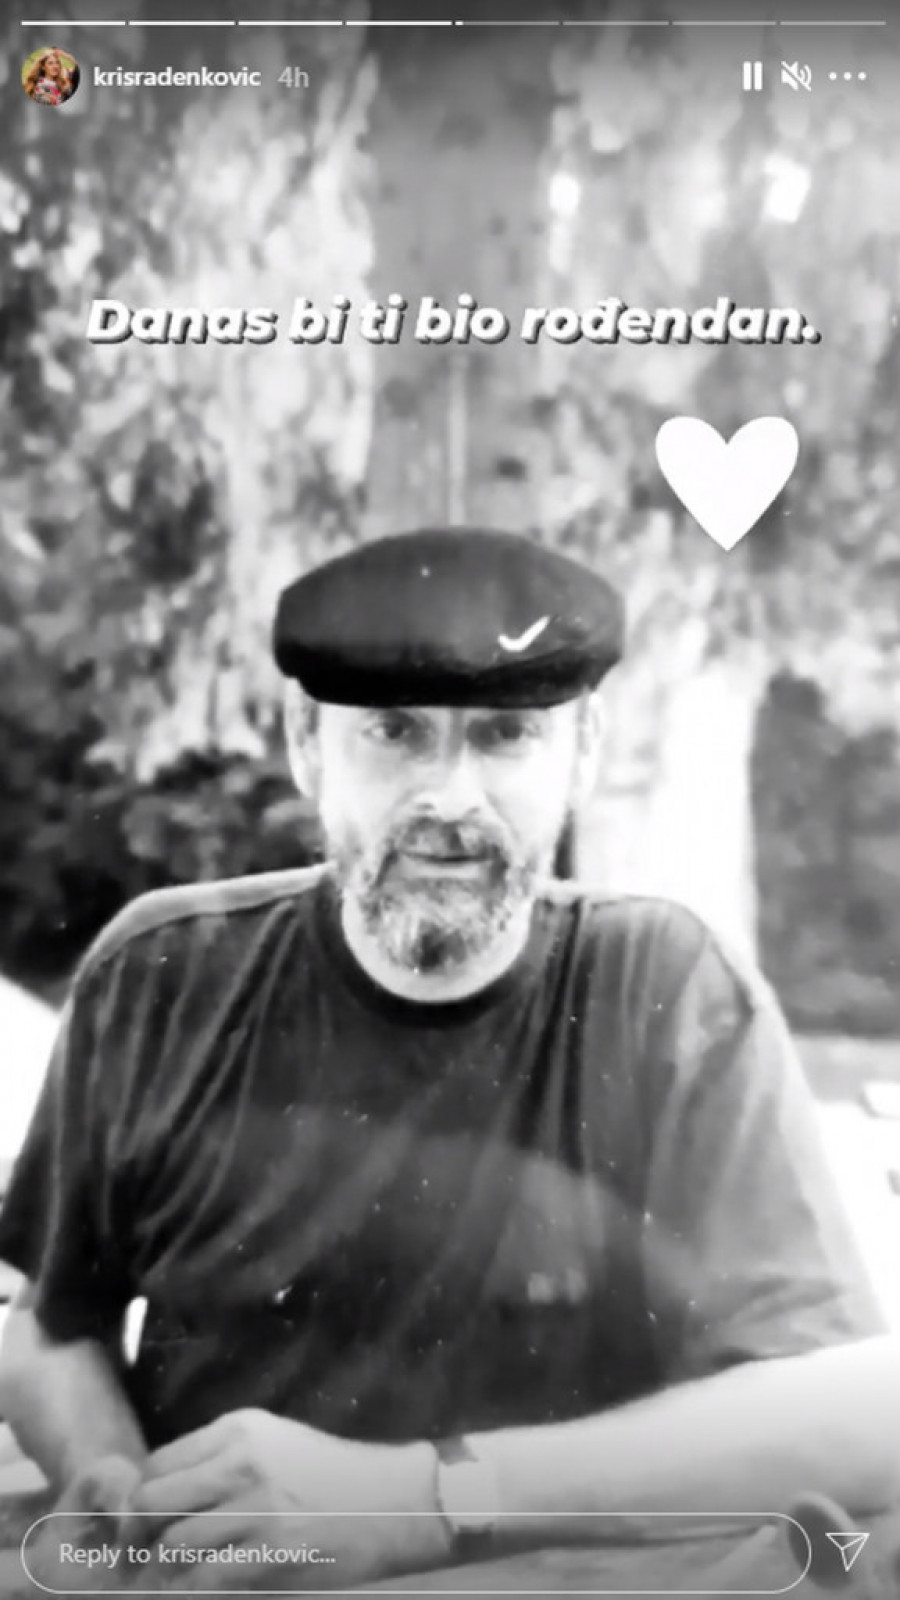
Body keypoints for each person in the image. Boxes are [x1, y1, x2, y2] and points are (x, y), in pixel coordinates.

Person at [0, 526, 897, 1594]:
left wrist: (425, 1501)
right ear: (305, 741)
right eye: (394, 731)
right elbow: (51, 1326)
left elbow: (861, 1414)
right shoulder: (159, 974)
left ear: (585, 752)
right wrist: (110, 1480)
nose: (451, 798)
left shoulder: (667, 993)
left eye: (507, 736)